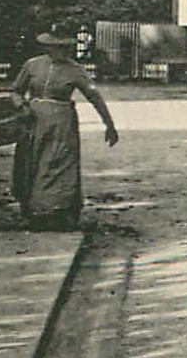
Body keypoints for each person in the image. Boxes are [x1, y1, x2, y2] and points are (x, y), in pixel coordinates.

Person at [9, 29, 118, 231]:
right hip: (33, 121)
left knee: (59, 163)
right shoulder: (32, 65)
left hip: (62, 123)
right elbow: (16, 91)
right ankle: (31, 211)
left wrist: (109, 125)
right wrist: (20, 106)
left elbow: (94, 96)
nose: (62, 51)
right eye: (56, 47)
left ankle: (59, 212)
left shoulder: (75, 70)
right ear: (48, 47)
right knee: (30, 161)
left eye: (65, 47)